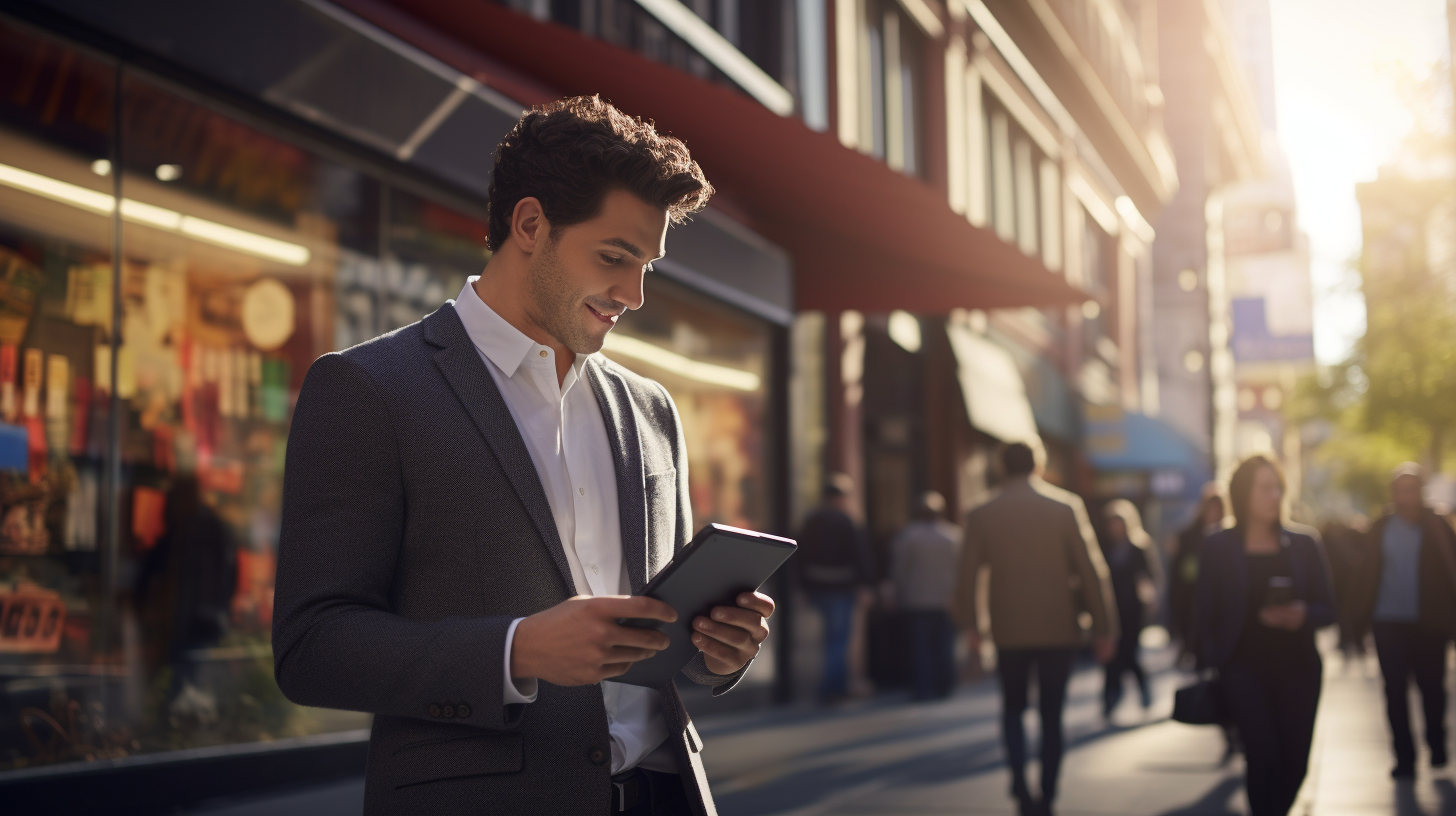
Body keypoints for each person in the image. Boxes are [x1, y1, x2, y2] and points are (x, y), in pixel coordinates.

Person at [271, 96, 775, 816]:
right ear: (530, 225)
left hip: (667, 796)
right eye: (613, 257)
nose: (633, 294)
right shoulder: (369, 389)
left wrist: (717, 650)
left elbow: (667, 642)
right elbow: (312, 646)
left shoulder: (652, 409)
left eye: (648, 267)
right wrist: (517, 651)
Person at [955, 441, 1117, 816]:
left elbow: (968, 576)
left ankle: (1019, 787)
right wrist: (1105, 628)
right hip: (1058, 629)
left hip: (1008, 630)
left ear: (1001, 466)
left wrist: (972, 626)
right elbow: (1092, 572)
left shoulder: (982, 512)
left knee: (1012, 708)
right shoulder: (1064, 507)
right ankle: (1047, 793)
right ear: (1039, 465)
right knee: (1051, 714)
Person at [1196, 455, 1334, 816]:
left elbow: (1329, 609)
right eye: (1265, 488)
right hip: (1243, 670)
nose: (1274, 496)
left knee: (1295, 764)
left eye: (1278, 488)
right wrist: (1214, 660)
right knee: (1262, 756)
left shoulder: (1305, 543)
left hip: (1299, 670)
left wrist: (1303, 614)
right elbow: (1202, 611)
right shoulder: (1218, 545)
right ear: (1243, 494)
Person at [1348, 464, 1456, 779]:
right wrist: (1356, 620)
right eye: (1399, 489)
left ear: (1420, 492)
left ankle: (1437, 745)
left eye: (1410, 489)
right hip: (1388, 622)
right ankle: (1404, 758)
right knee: (1394, 691)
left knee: (1432, 689)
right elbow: (1364, 574)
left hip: (1430, 623)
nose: (1404, 496)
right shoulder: (1380, 527)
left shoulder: (1437, 525)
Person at [796, 472, 875, 704]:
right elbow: (861, 555)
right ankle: (832, 689)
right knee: (837, 640)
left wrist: (801, 587)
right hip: (841, 588)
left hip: (815, 586)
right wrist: (866, 585)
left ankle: (829, 686)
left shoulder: (810, 520)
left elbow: (798, 556)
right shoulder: (847, 520)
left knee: (823, 640)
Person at [888, 491, 963, 701]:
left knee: (920, 647)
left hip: (917, 598)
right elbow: (961, 570)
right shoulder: (953, 536)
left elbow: (899, 569)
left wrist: (897, 592)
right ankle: (944, 686)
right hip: (945, 599)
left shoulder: (908, 536)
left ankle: (923, 687)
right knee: (944, 645)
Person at [1100, 499, 1163, 718]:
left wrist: (1150, 599)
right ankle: (1110, 697)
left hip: (1132, 608)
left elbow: (1148, 577)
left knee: (1129, 651)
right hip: (1110, 608)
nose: (1115, 527)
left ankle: (1141, 688)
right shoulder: (1104, 548)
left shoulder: (1138, 547)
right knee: (1111, 655)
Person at [1170, 486, 1225, 666]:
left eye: (1218, 508)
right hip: (1191, 605)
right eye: (1210, 508)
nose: (1214, 513)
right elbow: (1176, 576)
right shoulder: (1187, 536)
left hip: (1220, 607)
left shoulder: (1231, 538)